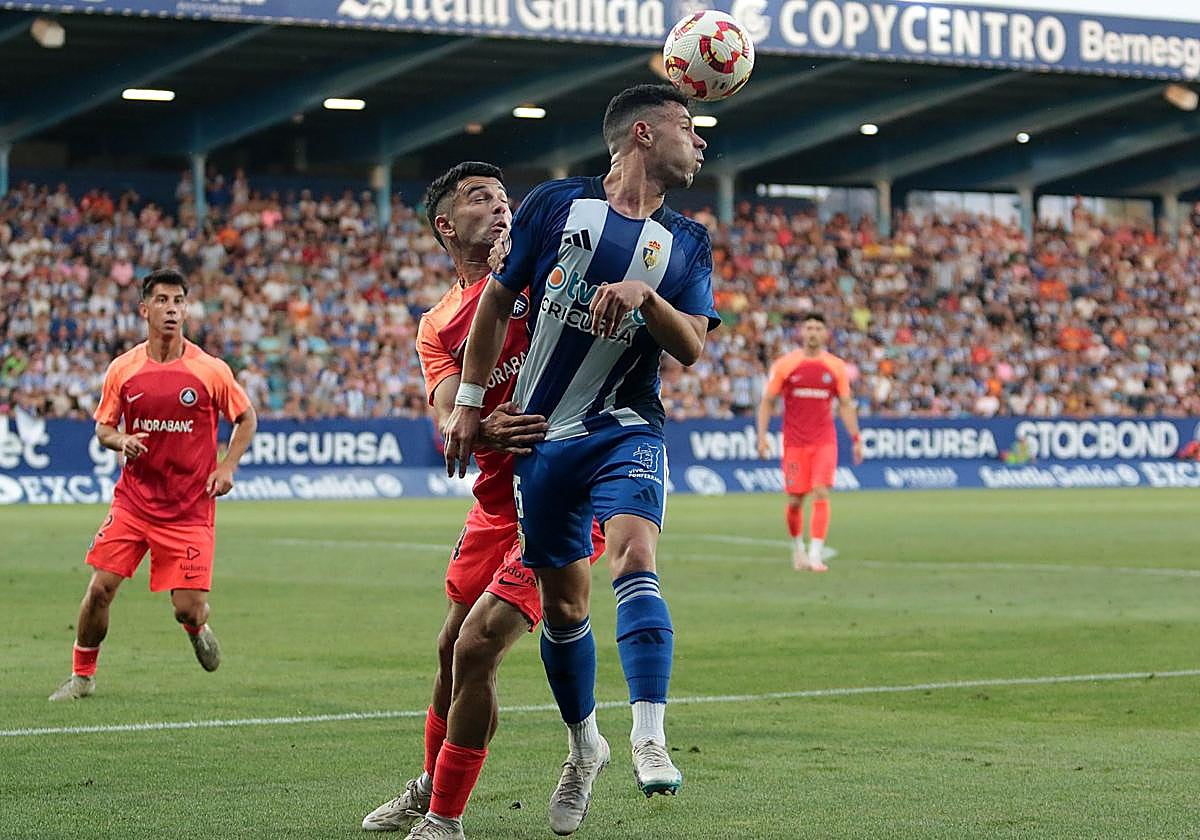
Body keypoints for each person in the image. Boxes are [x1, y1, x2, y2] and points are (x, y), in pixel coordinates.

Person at [442, 84, 719, 835]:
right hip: (546, 440)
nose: (700, 143)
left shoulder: (686, 242)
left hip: (629, 428)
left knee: (634, 554)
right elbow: (497, 302)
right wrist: (468, 403)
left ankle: (649, 733)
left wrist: (642, 297)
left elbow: (691, 346)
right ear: (641, 134)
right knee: (565, 608)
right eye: (688, 128)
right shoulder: (555, 206)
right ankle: (582, 744)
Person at [362, 162, 604, 840]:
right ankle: (433, 781)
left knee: (476, 648)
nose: (500, 208)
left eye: (505, 198)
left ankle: (445, 816)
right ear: (446, 225)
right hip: (493, 505)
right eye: (480, 199)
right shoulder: (437, 323)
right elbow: (448, 409)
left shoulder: (540, 273)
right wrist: (474, 420)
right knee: (450, 649)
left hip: (558, 497)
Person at [49, 268, 257, 701]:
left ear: (186, 309)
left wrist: (227, 466)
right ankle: (82, 676)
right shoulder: (123, 370)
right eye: (162, 301)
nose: (171, 309)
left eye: (178, 301)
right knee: (100, 589)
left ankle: (196, 624)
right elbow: (103, 428)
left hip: (189, 509)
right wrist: (120, 439)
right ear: (145, 309)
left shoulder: (209, 370)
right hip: (133, 504)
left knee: (186, 606)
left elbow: (246, 417)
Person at [755, 313, 863, 572]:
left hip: (824, 440)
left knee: (821, 492)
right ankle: (798, 549)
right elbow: (767, 402)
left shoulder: (835, 366)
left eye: (818, 328)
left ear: (825, 333)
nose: (813, 332)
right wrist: (761, 437)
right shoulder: (785, 365)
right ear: (802, 333)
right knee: (794, 500)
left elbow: (846, 405)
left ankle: (815, 554)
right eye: (809, 328)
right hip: (794, 443)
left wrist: (856, 438)